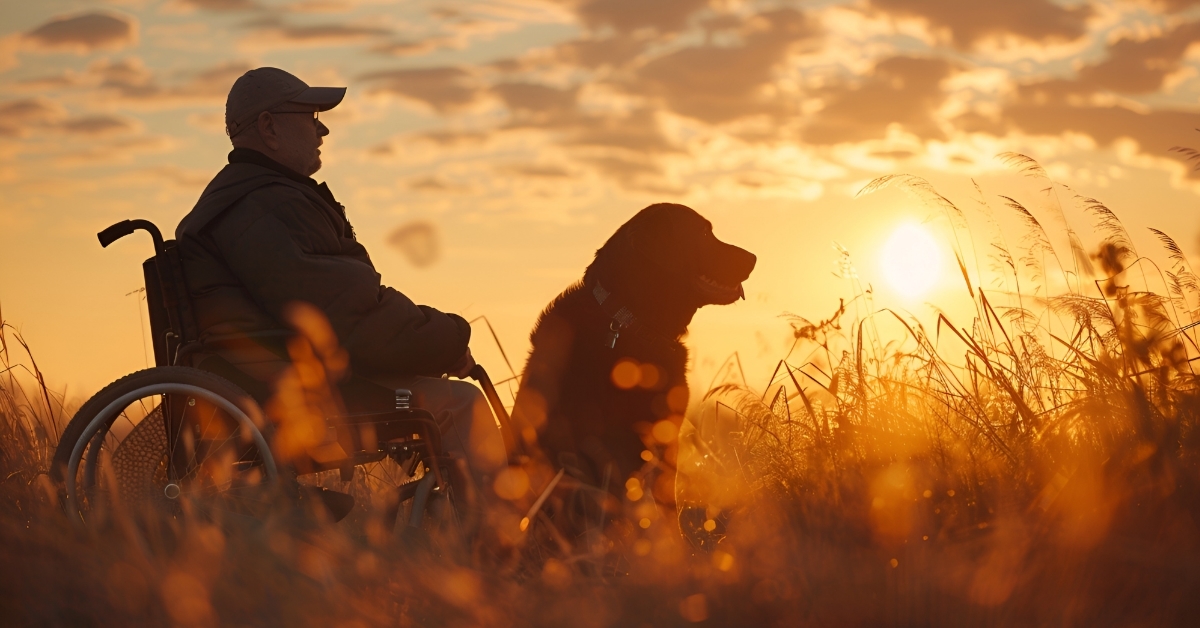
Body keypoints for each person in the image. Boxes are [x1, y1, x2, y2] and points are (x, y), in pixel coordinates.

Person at [175, 67, 506, 510]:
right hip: (297, 392)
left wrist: (436, 338)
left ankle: (449, 533)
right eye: (310, 115)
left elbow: (346, 306)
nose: (322, 128)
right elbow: (351, 320)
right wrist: (448, 338)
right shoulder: (265, 207)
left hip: (282, 376)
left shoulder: (256, 201)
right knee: (461, 403)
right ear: (269, 126)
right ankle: (502, 549)